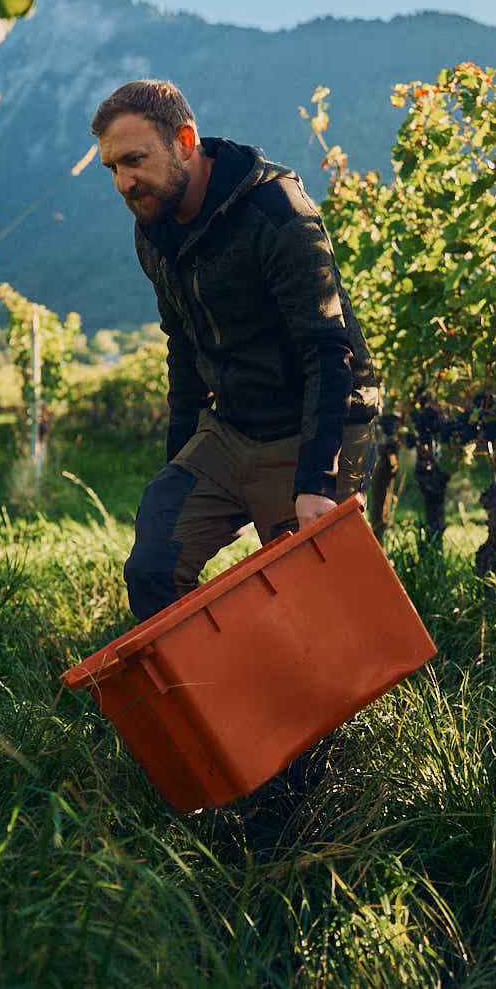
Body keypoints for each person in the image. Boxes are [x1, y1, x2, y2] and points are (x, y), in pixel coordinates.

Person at [91, 80, 382, 621]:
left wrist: (317, 480)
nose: (124, 183)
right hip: (232, 429)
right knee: (153, 566)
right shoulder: (153, 226)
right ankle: (200, 677)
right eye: (112, 168)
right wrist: (178, 465)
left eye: (135, 160)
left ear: (184, 141)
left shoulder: (276, 209)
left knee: (322, 611)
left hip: (316, 425)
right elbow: (183, 350)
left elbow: (327, 347)